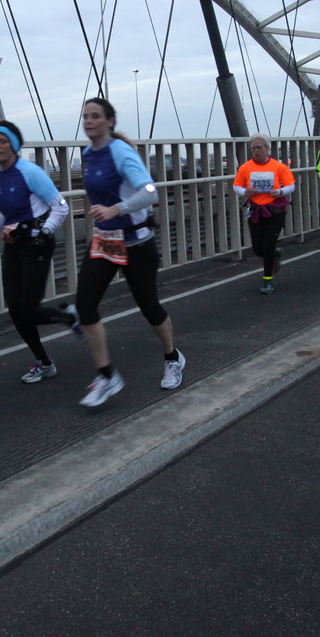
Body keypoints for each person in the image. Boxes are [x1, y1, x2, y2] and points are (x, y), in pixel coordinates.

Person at [73, 97, 186, 407]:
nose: (89, 121)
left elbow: (150, 192)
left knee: (149, 307)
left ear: (110, 121)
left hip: (136, 242)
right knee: (85, 305)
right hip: (105, 241)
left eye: (95, 116)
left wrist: (116, 209)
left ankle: (172, 358)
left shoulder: (121, 152)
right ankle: (107, 376)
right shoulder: (88, 154)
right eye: (85, 116)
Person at [0, 120, 82, 383]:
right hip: (14, 247)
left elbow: (61, 206)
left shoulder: (31, 173)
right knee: (15, 311)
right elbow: (2, 213)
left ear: (14, 145)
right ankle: (45, 363)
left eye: (3, 141)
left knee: (28, 309)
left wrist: (45, 233)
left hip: (38, 245)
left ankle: (68, 316)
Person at [233, 133, 297, 294]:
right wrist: (245, 192)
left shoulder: (279, 167)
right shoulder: (245, 167)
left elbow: (291, 186)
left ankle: (267, 280)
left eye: (259, 148)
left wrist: (280, 191)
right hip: (256, 211)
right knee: (258, 249)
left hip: (275, 212)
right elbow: (236, 185)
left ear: (267, 148)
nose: (256, 151)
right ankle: (276, 254)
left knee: (268, 246)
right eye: (253, 148)